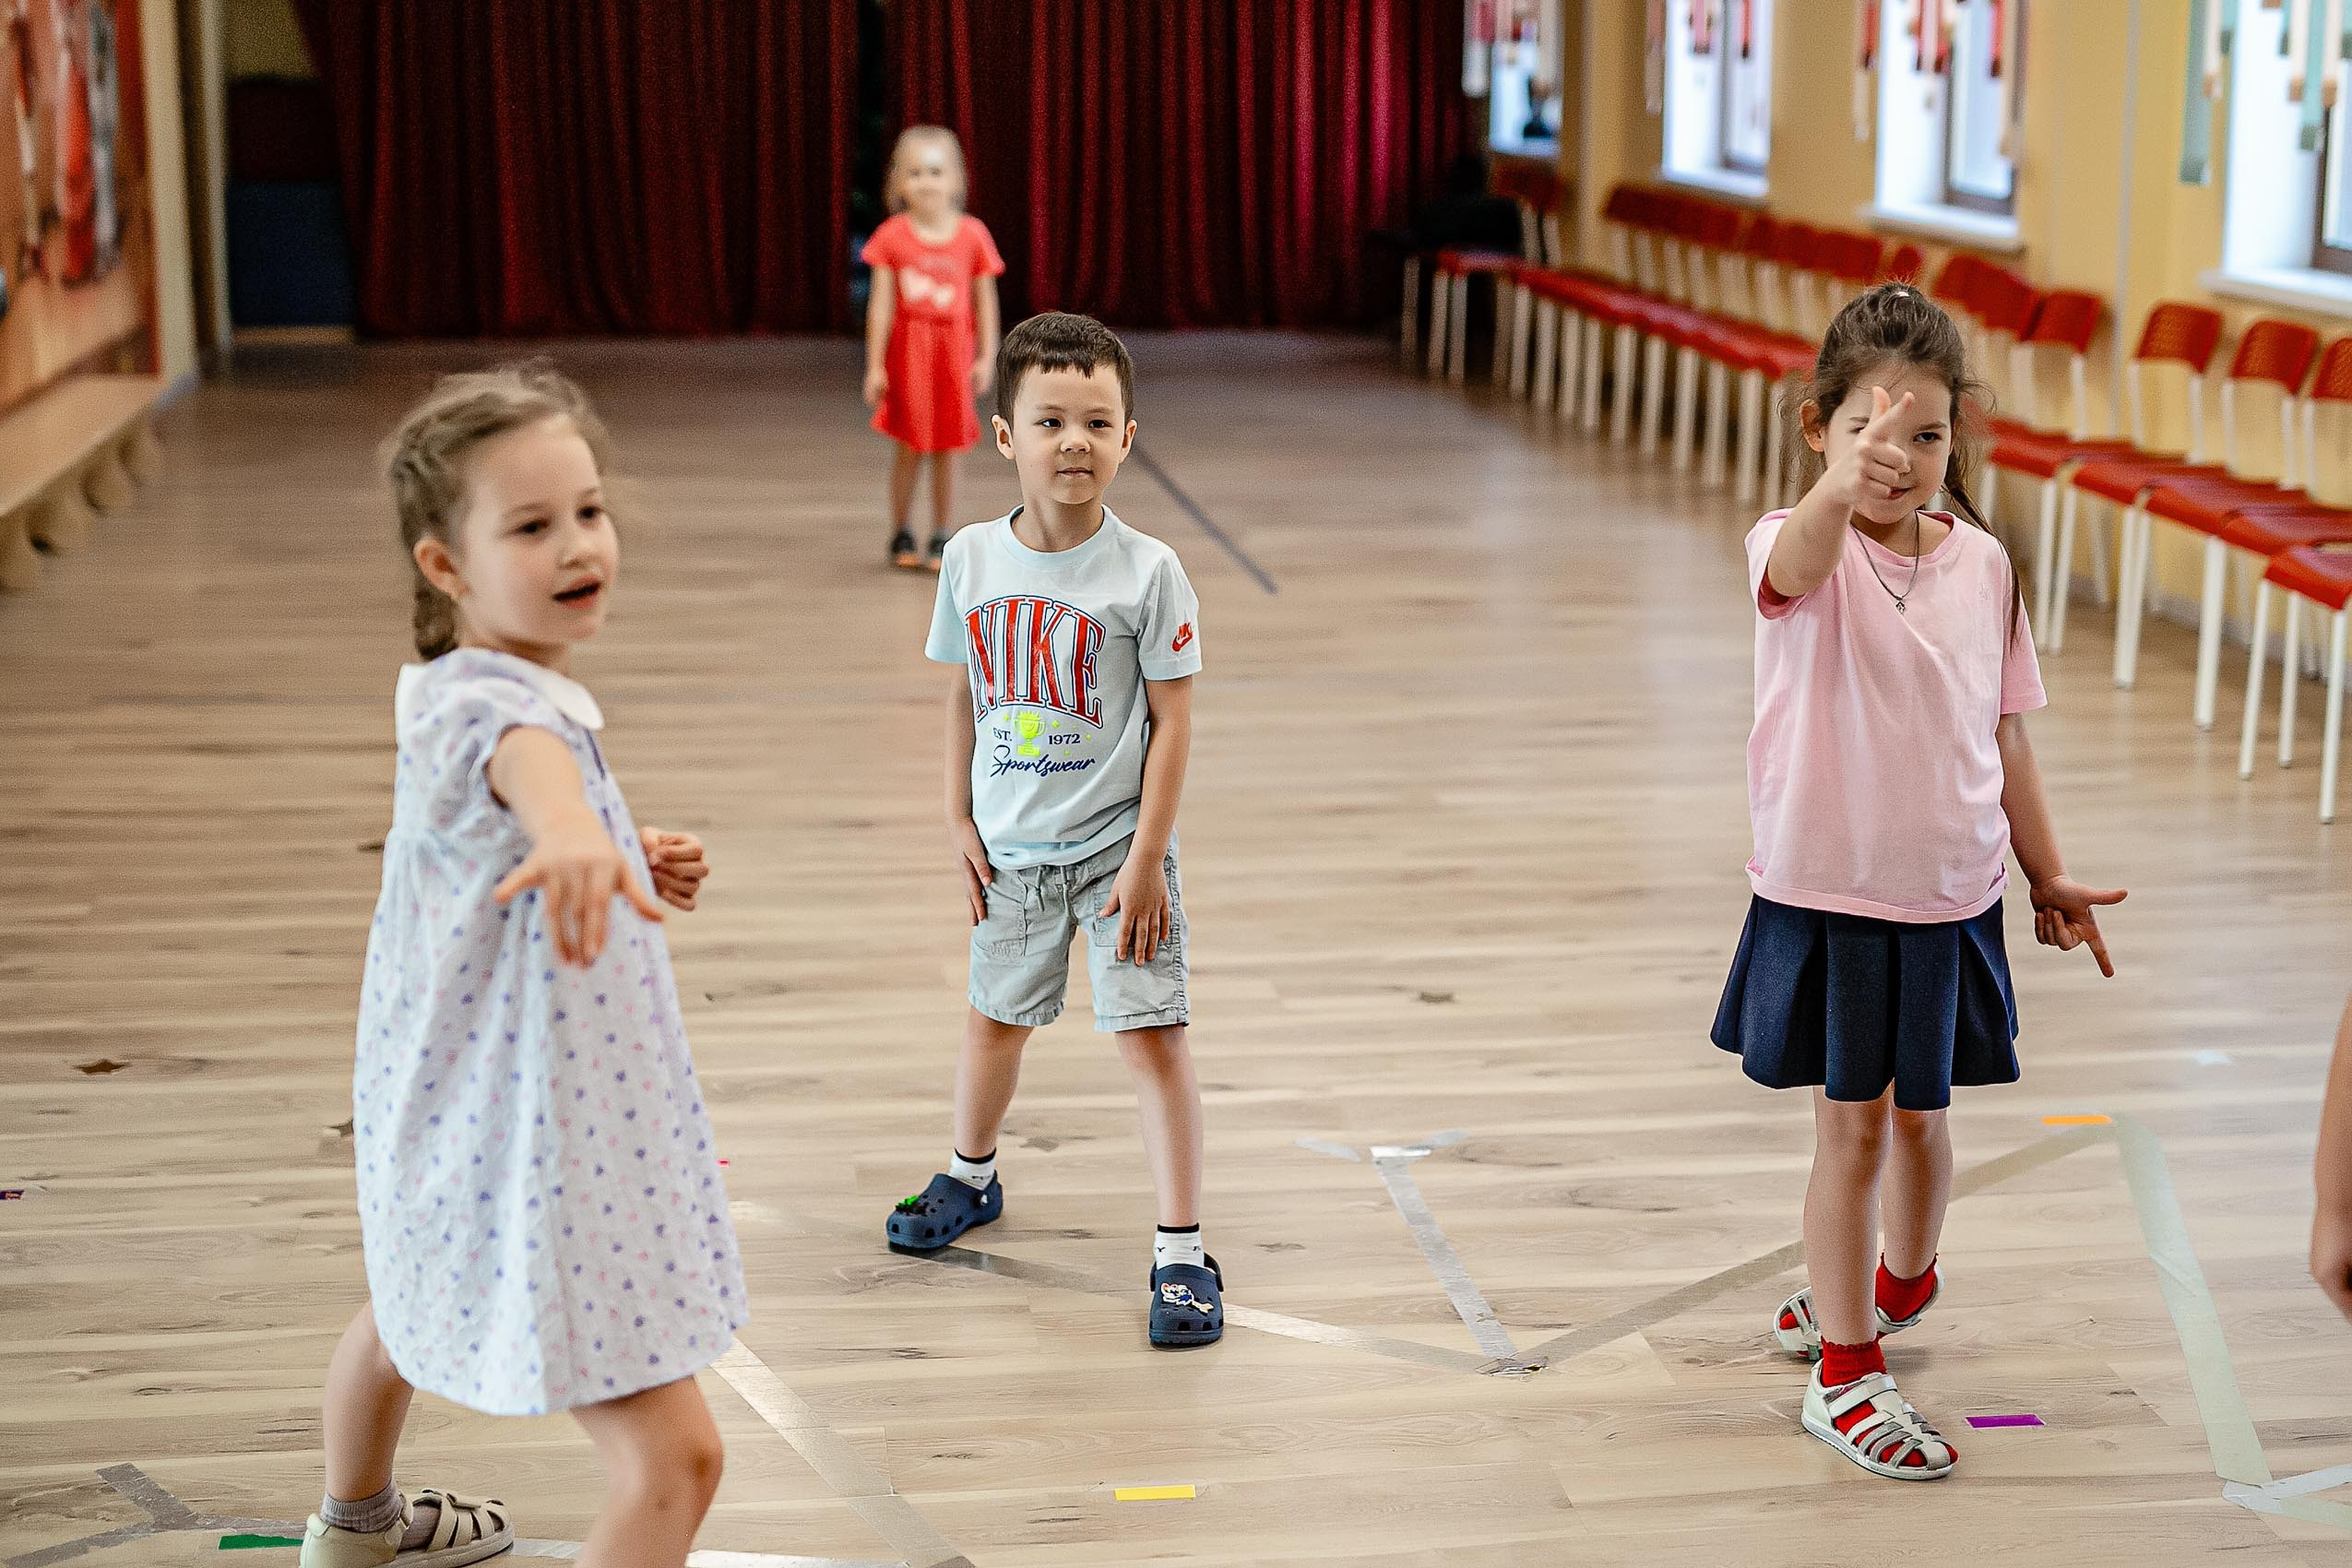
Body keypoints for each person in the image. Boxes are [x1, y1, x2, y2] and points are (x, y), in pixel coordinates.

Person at [302, 363, 742, 1568]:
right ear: (445, 566)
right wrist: (572, 834)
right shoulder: (503, 718)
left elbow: (525, 823)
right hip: (531, 1136)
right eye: (532, 526)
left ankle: (351, 1531)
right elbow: (535, 785)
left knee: (403, 1309)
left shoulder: (458, 692)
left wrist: (621, 853)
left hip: (448, 1106)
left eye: (587, 512)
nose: (577, 544)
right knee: (679, 1463)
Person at [1711, 283, 2126, 1481]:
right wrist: (1836, 493)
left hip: (1949, 893)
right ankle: (1844, 1375)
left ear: (1959, 439)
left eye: (1927, 437)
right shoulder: (1793, 547)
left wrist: (2044, 874)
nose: (1897, 460)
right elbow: (1793, 558)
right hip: (1828, 893)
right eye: (1867, 434)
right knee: (1846, 1130)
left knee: (1922, 1123)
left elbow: (2004, 736)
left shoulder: (1984, 566)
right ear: (1815, 431)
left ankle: (1895, 1284)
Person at [883, 312, 1221, 1348]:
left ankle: (1181, 1250)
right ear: (1004, 436)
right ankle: (971, 1175)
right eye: (1050, 420)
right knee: (996, 1020)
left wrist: (1149, 856)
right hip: (1015, 858)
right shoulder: (973, 558)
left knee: (1152, 1040)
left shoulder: (1150, 571)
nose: (1073, 440)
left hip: (1121, 856)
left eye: (1096, 421)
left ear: (1127, 438)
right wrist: (955, 815)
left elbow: (1173, 725)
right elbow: (962, 696)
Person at [861, 125, 1004, 573]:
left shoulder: (972, 235)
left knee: (947, 449)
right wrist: (874, 367)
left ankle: (943, 532)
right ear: (899, 182)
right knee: (909, 446)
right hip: (909, 359)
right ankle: (901, 528)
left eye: (936, 172)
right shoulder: (891, 236)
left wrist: (986, 357)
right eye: (916, 172)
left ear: (956, 181)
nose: (926, 182)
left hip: (953, 360)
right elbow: (880, 307)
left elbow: (985, 302)